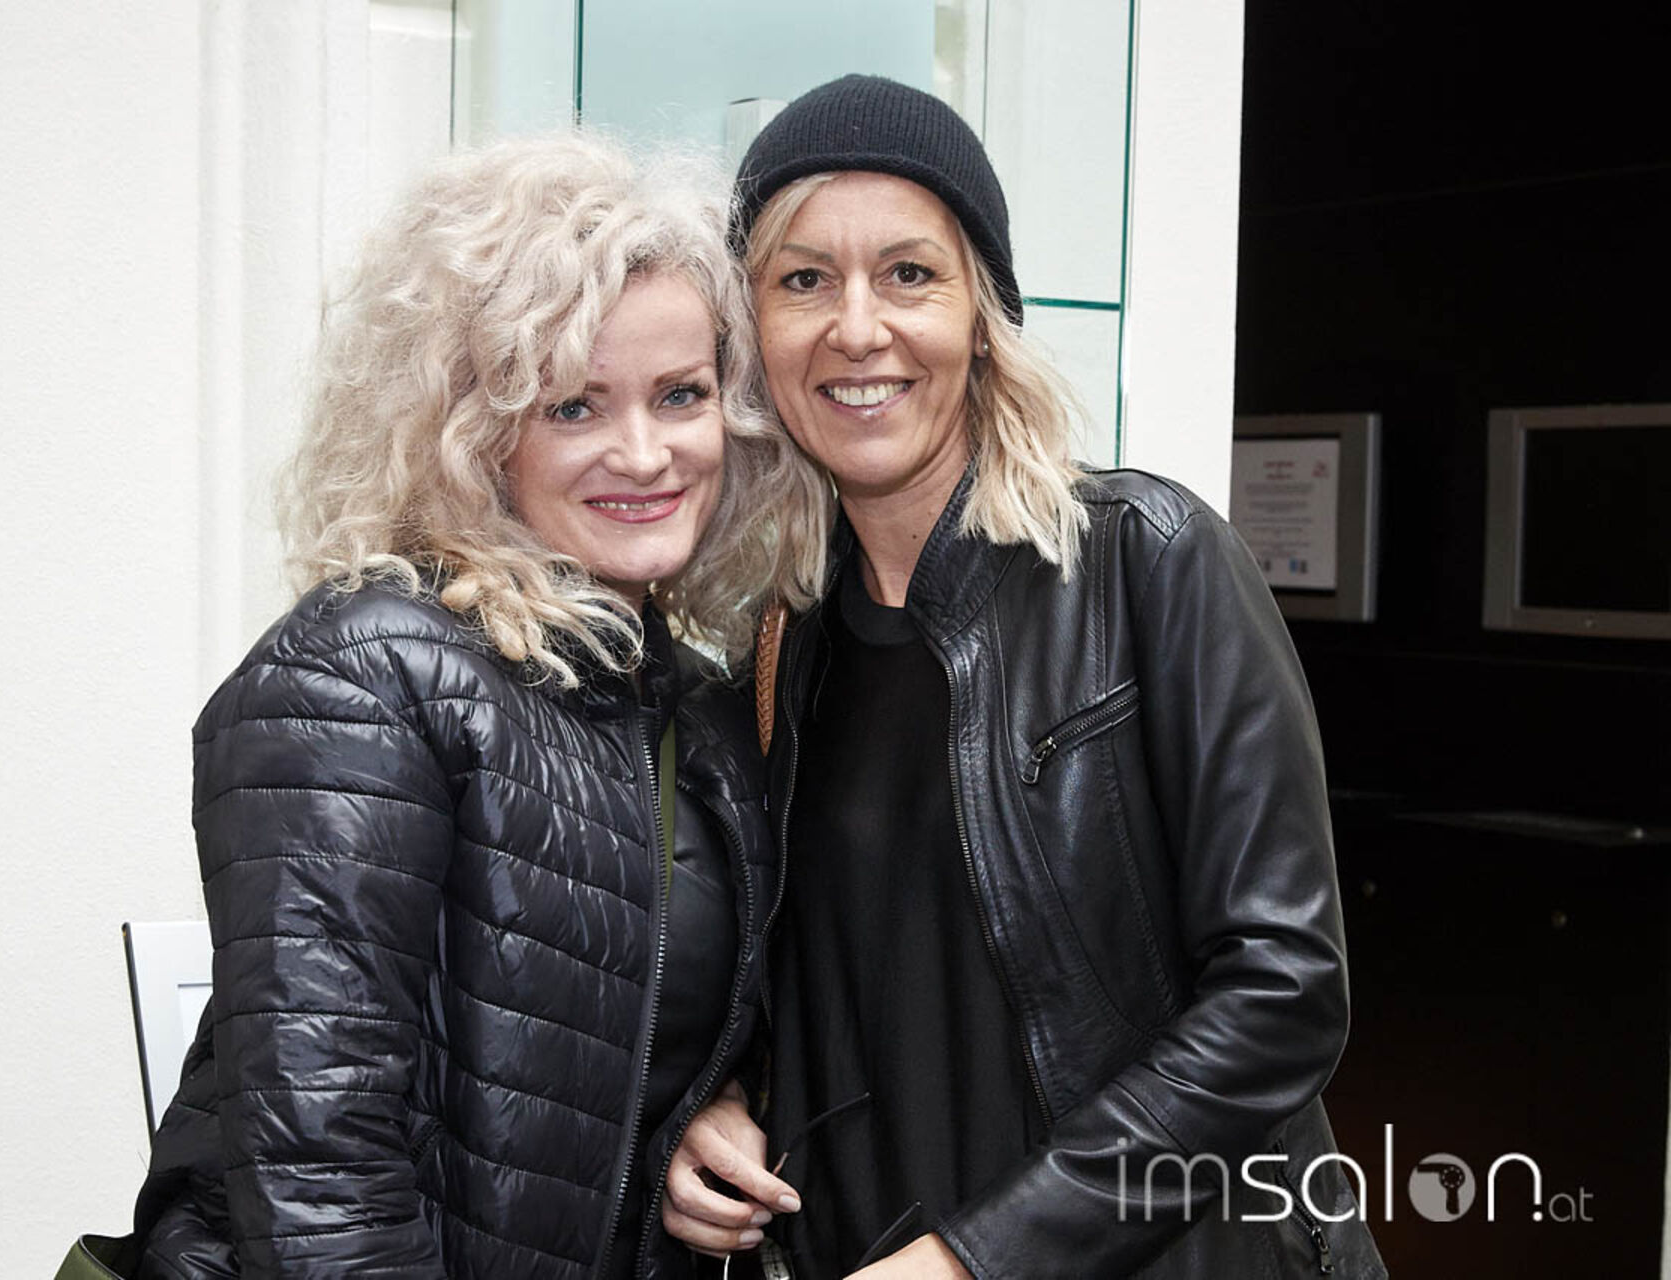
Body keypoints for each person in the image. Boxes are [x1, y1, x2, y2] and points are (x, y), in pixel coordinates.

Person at [660, 75, 1387, 1278]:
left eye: (909, 273)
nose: (857, 327)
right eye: (804, 279)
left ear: (983, 315)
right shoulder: (777, 647)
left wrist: (976, 1257)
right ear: (753, 334)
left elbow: (1284, 994)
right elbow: (812, 989)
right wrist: (721, 1103)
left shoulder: (1146, 564)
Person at [124, 133, 828, 1279]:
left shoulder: (686, 700)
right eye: (574, 406)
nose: (645, 451)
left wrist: (704, 1106)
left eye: (681, 394)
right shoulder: (365, 674)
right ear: (470, 429)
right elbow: (317, 1173)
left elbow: (620, 1037)